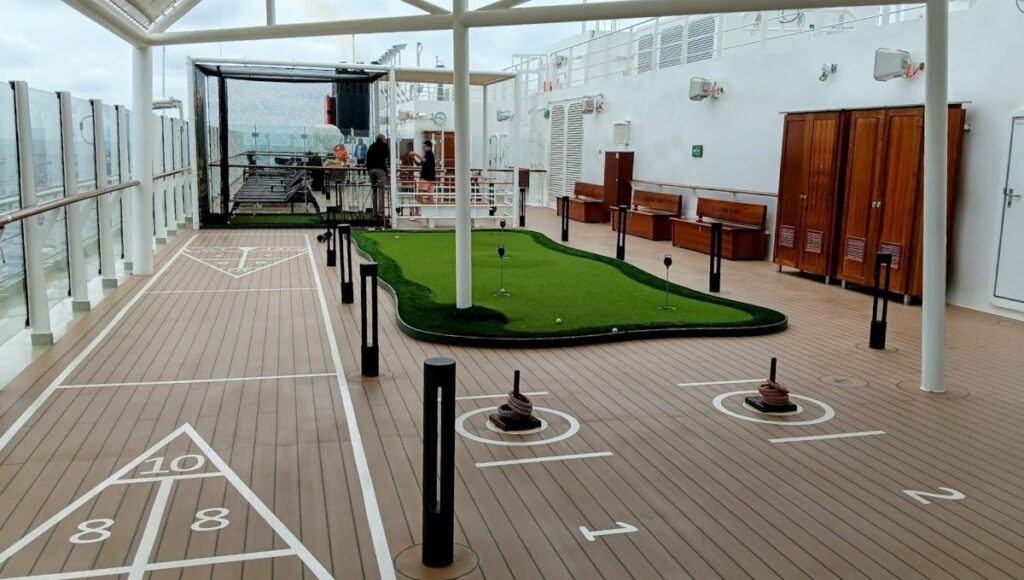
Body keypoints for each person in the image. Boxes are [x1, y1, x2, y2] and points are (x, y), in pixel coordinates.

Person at [365, 134, 390, 215]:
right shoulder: (384, 146)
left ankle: (375, 210)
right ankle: (381, 211)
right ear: (382, 139)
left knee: (374, 190)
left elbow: (367, 158)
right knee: (381, 190)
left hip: (371, 170)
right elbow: (387, 156)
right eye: (384, 139)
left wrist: (368, 169)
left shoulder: (371, 146)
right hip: (380, 169)